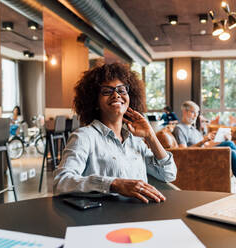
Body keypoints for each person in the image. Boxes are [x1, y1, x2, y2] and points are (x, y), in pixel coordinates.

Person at [53, 63, 177, 204]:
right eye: (107, 91)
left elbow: (169, 174)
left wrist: (150, 136)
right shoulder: (84, 136)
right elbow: (61, 182)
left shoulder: (135, 140)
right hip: (103, 219)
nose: (116, 95)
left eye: (122, 90)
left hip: (139, 217)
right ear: (95, 101)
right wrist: (114, 184)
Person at [173, 101, 236, 192]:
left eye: (196, 113)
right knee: (231, 153)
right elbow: (183, 152)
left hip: (203, 152)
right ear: (184, 112)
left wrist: (220, 139)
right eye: (193, 112)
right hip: (197, 158)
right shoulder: (180, 129)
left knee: (230, 144)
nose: (195, 116)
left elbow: (206, 145)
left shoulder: (193, 129)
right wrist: (203, 141)